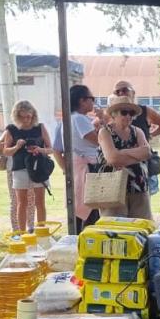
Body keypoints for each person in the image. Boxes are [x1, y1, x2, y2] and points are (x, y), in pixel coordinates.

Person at [97, 94, 152, 219]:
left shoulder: (137, 131)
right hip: (112, 189)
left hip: (139, 187)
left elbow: (147, 153)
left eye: (131, 113)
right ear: (114, 114)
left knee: (142, 226)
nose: (128, 116)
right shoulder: (105, 132)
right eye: (124, 112)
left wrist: (121, 152)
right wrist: (136, 154)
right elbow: (112, 159)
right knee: (115, 228)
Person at [0, 100, 53, 231]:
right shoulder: (11, 129)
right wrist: (17, 146)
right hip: (20, 169)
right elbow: (5, 151)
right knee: (21, 203)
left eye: (28, 117)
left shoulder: (40, 127)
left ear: (33, 115)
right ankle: (22, 233)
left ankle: (41, 231)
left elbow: (51, 149)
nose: (26, 120)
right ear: (16, 116)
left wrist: (39, 150)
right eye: (22, 117)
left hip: (38, 168)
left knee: (40, 202)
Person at [57, 85, 103, 232]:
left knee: (80, 206)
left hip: (78, 166)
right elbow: (98, 141)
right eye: (91, 99)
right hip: (88, 168)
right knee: (91, 210)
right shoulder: (79, 118)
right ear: (82, 101)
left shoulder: (70, 119)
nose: (93, 102)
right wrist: (103, 121)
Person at [113, 80, 160, 195]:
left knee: (144, 201)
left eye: (125, 90)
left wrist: (151, 135)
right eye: (117, 92)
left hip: (143, 166)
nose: (121, 93)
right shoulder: (111, 114)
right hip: (120, 169)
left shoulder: (144, 111)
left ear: (133, 93)